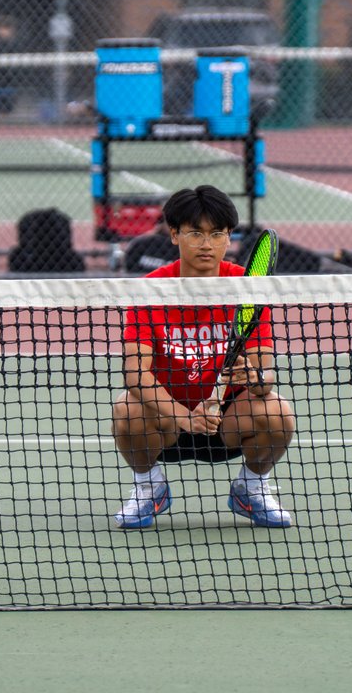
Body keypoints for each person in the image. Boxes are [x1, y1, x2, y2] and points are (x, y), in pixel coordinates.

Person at [111, 185, 296, 529]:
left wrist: (255, 379)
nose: (207, 244)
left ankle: (251, 488)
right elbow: (135, 372)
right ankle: (149, 487)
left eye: (217, 234)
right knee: (126, 409)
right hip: (166, 420)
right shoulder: (150, 290)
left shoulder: (247, 288)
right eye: (195, 233)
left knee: (277, 412)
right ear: (174, 235)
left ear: (228, 237)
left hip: (226, 422)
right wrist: (185, 417)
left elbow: (265, 377)